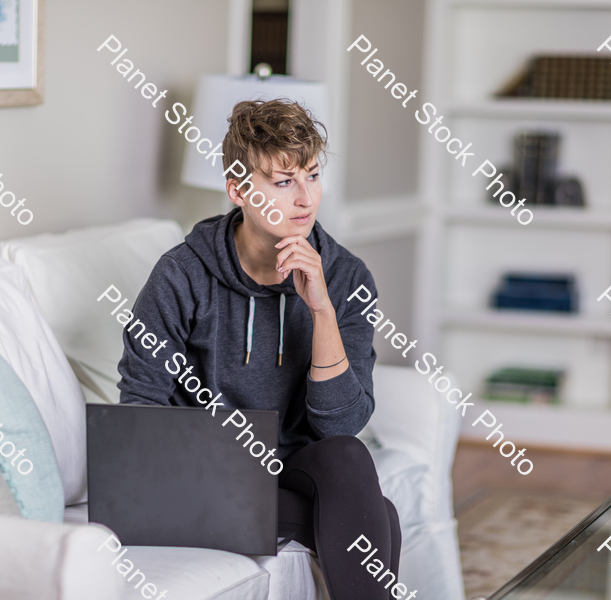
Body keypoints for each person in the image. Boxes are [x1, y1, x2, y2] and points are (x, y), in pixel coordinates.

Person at [118, 98, 400, 599]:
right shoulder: (181, 274)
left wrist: (322, 312)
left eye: (312, 176)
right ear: (239, 190)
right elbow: (140, 410)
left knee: (349, 457)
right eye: (283, 181)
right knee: (379, 519)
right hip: (202, 470)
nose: (305, 199)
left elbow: (340, 425)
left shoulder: (346, 277)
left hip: (293, 468)